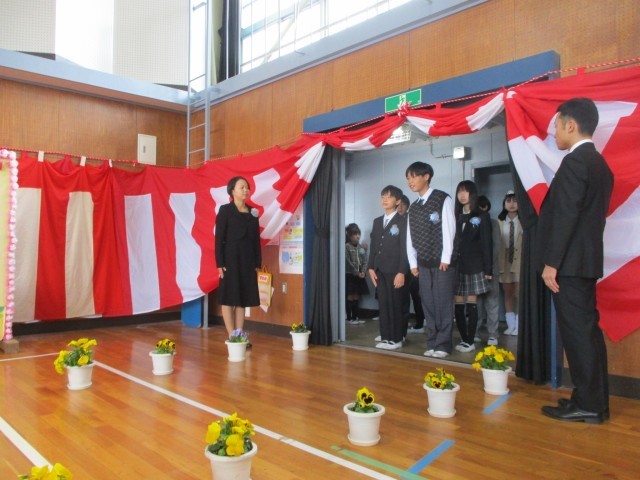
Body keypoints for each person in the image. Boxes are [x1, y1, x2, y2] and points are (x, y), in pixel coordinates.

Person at [539, 98, 613, 424]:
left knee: (578, 335)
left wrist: (552, 263)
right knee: (588, 334)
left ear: (571, 125)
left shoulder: (575, 162)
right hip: (585, 262)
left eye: (556, 126)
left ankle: (588, 405)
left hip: (569, 265)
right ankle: (593, 401)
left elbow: (566, 216)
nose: (553, 132)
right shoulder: (599, 164)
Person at [406, 162, 456, 358]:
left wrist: (446, 257)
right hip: (423, 263)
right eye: (408, 178)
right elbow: (410, 237)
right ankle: (432, 342)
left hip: (442, 262)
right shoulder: (413, 207)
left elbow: (449, 229)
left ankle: (443, 345)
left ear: (426, 176)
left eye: (413, 177)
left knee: (443, 302)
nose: (410, 181)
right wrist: (413, 263)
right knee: (427, 302)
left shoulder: (442, 198)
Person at [215, 176, 262, 338]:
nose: (245, 190)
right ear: (232, 191)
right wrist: (219, 263)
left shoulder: (253, 212)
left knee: (243, 297)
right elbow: (219, 238)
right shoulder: (225, 210)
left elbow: (256, 240)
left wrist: (257, 263)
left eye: (247, 187)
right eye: (242, 187)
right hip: (230, 259)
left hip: (247, 259)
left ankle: (239, 333)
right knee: (228, 297)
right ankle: (231, 336)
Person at [452, 181, 492, 353]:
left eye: (466, 191)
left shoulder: (482, 216)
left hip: (474, 265)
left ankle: (470, 341)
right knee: (458, 303)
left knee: (471, 302)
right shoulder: (454, 216)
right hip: (456, 265)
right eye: (459, 192)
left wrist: (488, 269)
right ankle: (464, 338)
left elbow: (486, 244)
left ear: (473, 194)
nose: (462, 195)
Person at [367, 185, 409, 350]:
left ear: (397, 201)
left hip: (395, 270)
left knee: (396, 304)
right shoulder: (377, 221)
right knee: (383, 304)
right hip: (379, 270)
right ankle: (386, 337)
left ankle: (396, 338)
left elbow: (405, 249)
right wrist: (371, 266)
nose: (385, 200)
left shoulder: (403, 221)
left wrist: (402, 271)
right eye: (383, 196)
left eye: (389, 197)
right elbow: (373, 245)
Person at [398, 195, 424, 336]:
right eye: (398, 205)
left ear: (407, 206)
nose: (400, 207)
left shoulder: (412, 218)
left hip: (413, 264)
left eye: (402, 204)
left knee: (416, 295)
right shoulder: (395, 220)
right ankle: (404, 323)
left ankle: (420, 322)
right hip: (400, 265)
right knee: (402, 296)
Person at [477, 195, 501, 346]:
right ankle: (475, 332)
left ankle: (493, 334)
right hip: (476, 270)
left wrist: (489, 268)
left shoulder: (493, 223)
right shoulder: (473, 222)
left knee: (492, 302)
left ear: (486, 207)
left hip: (491, 269)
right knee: (476, 303)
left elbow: (496, 247)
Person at [498, 190, 522, 336]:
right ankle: (511, 325)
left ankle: (519, 325)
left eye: (515, 201)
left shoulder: (524, 221)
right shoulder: (499, 221)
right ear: (504, 204)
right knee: (508, 293)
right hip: (504, 258)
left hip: (519, 258)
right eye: (508, 201)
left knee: (519, 293)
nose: (512, 204)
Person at [345, 223, 369, 325]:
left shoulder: (360, 247)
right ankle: (349, 318)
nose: (357, 236)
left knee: (356, 295)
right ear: (350, 236)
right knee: (350, 296)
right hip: (350, 275)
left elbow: (365, 260)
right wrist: (357, 272)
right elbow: (348, 262)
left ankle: (355, 317)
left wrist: (363, 271)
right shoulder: (346, 246)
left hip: (359, 275)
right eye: (355, 234)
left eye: (358, 234)